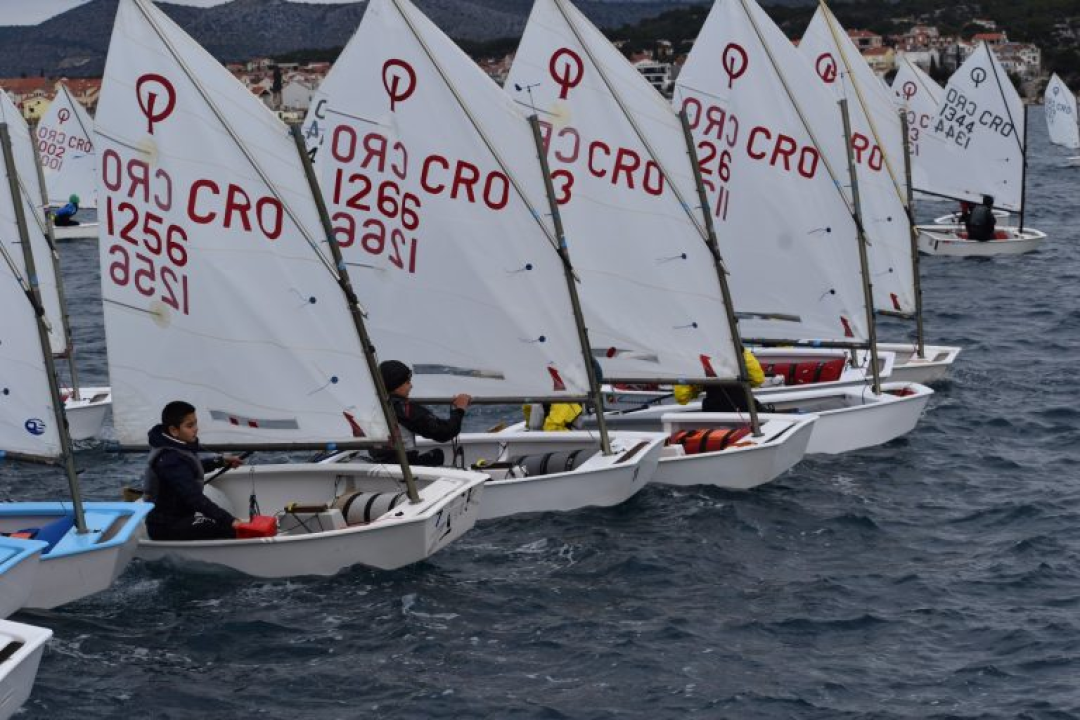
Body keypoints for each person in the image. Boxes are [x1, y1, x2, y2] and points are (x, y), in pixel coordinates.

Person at [142, 401, 245, 541]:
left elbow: (190, 468)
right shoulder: (169, 461)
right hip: (166, 527)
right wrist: (231, 521)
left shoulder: (175, 449)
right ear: (174, 430)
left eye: (195, 423)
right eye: (189, 426)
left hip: (180, 518)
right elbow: (195, 499)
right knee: (225, 527)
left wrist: (221, 461)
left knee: (222, 522)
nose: (196, 429)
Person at [369, 360, 471, 467]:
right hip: (403, 468)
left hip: (380, 463)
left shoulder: (375, 406)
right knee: (437, 455)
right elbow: (444, 432)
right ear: (396, 385)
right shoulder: (404, 409)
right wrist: (459, 409)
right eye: (407, 382)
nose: (411, 386)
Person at [674, 348, 771, 413]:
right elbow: (758, 379)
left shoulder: (691, 355)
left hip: (712, 411)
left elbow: (681, 397)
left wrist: (698, 386)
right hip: (744, 409)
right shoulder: (737, 349)